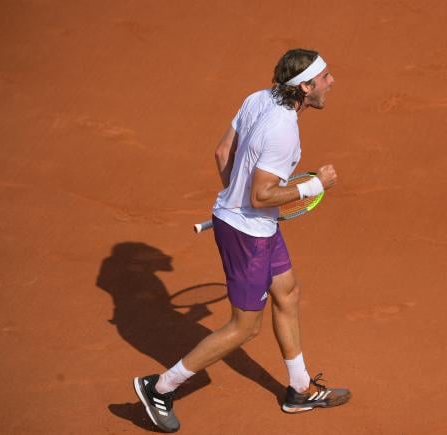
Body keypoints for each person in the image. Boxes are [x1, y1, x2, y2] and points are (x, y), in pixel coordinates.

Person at [133, 49, 350, 433]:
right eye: (324, 78)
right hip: (249, 236)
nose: (330, 82)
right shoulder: (283, 130)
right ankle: (160, 387)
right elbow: (260, 196)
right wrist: (315, 185)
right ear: (304, 87)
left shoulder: (258, 98)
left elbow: (222, 153)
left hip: (252, 225)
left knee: (287, 292)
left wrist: (233, 199)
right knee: (244, 327)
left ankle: (299, 390)